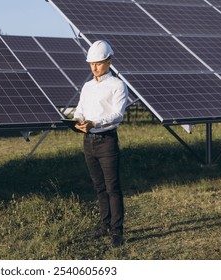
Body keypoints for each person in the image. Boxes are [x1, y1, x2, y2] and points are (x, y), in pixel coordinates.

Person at [73, 40, 128, 248]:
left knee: (112, 187)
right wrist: (77, 120)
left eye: (98, 63)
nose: (94, 67)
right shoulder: (87, 86)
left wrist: (95, 123)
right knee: (99, 187)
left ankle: (117, 231)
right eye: (91, 64)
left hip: (106, 142)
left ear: (109, 61)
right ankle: (104, 225)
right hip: (88, 142)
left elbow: (117, 114)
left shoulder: (118, 85)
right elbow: (80, 109)